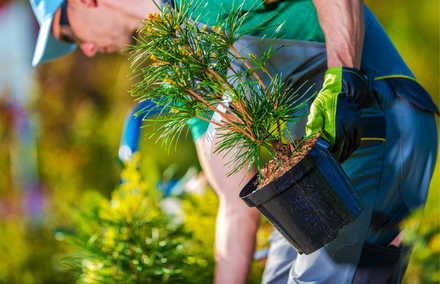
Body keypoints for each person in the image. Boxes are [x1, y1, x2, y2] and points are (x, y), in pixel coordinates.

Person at [30, 0, 438, 283]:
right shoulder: (182, 62)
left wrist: (343, 80)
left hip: (373, 116)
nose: (84, 50)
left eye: (66, 34)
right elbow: (233, 203)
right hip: (315, 167)